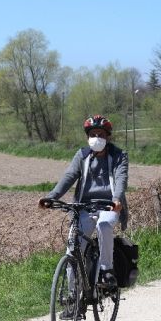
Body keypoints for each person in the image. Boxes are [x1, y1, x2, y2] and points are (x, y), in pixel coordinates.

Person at [39, 114, 129, 291]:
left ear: (108, 136)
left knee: (104, 226)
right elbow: (69, 177)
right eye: (93, 134)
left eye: (101, 134)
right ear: (87, 137)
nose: (97, 138)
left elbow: (121, 179)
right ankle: (73, 298)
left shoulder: (119, 156)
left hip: (109, 205)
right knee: (73, 249)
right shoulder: (82, 155)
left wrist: (117, 199)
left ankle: (106, 270)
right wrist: (52, 197)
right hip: (84, 207)